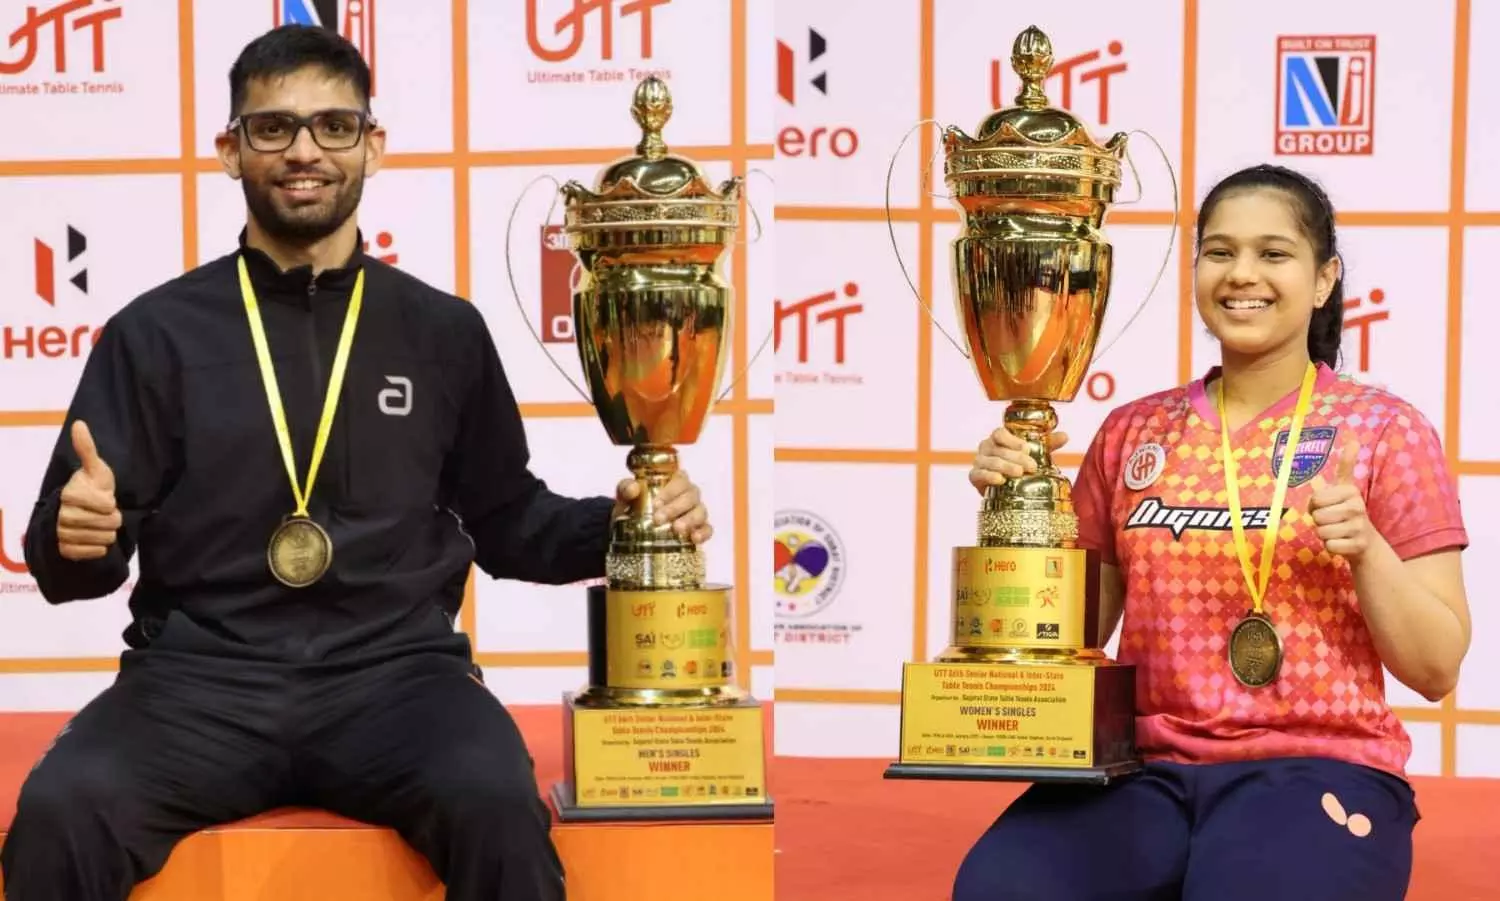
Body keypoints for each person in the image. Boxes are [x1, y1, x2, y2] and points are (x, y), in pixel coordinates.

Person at [0, 25, 714, 901]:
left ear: (373, 145)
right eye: (273, 128)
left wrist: (629, 519)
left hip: (399, 680)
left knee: (499, 807)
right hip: (198, 686)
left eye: (334, 126)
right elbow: (68, 562)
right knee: (60, 812)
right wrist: (83, 537)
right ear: (230, 150)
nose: (305, 151)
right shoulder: (155, 334)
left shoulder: (442, 331)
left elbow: (509, 521)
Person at [953, 164, 1471, 901]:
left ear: (1324, 278)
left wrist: (1365, 547)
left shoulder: (1386, 432)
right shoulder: (1134, 431)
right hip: (1142, 770)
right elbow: (1075, 637)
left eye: (1274, 253)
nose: (1243, 275)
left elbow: (1437, 666)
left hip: (1319, 762)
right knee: (998, 888)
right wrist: (1021, 520)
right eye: (1220, 251)